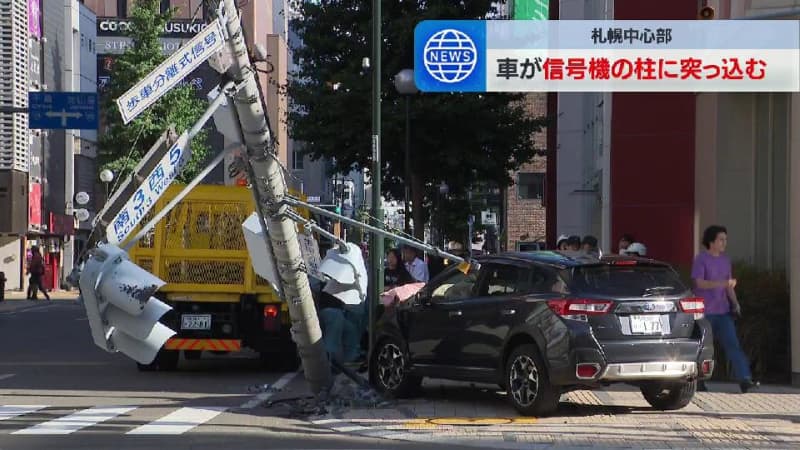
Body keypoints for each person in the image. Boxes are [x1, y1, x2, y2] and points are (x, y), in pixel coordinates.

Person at [692, 225, 758, 393]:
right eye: (721, 239)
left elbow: (729, 286)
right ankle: (698, 380)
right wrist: (723, 284)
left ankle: (745, 379)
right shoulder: (701, 259)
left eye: (725, 239)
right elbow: (699, 283)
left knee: (733, 345)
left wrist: (735, 303)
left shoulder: (725, 260)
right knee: (704, 347)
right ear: (711, 241)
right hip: (705, 312)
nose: (724, 243)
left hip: (723, 312)